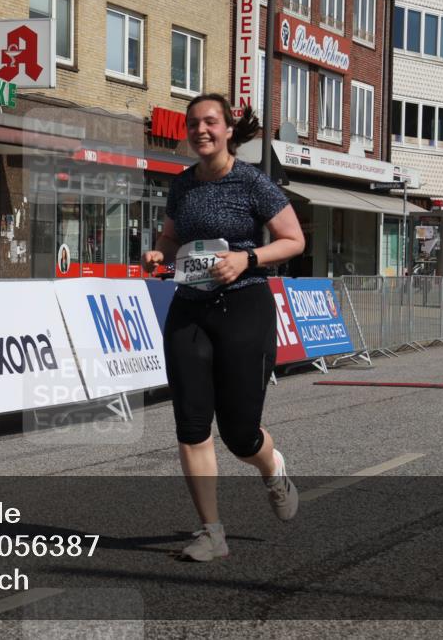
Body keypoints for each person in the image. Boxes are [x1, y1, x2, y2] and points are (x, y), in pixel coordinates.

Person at [141, 94, 305, 562]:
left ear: (229, 129)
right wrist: (159, 252)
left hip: (243, 306)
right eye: (193, 124)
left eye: (210, 122)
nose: (200, 131)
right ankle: (212, 532)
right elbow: (172, 237)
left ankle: (272, 468)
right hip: (190, 307)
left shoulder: (253, 182)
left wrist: (247, 258)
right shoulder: (183, 185)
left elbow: (294, 239)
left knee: (239, 434)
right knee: (192, 425)